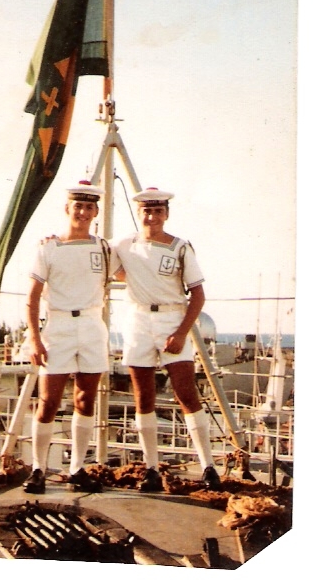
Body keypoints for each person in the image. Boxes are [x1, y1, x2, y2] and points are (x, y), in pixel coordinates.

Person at [111, 186, 221, 492]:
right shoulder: (124, 244)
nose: (152, 217)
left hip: (172, 319)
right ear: (139, 213)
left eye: (158, 211)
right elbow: (99, 255)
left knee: (186, 393)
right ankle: (151, 469)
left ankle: (208, 466)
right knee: (143, 397)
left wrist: (181, 332)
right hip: (138, 319)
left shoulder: (181, 247)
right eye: (146, 211)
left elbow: (197, 295)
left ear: (166, 214)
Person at [23, 180, 110, 495]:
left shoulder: (104, 248)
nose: (83, 212)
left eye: (88, 207)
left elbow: (132, 270)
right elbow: (32, 298)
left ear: (96, 212)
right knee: (49, 401)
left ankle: (77, 469)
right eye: (78, 206)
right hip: (58, 325)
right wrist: (35, 339)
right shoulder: (48, 247)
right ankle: (38, 469)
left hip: (92, 325)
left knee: (86, 399)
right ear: (67, 208)